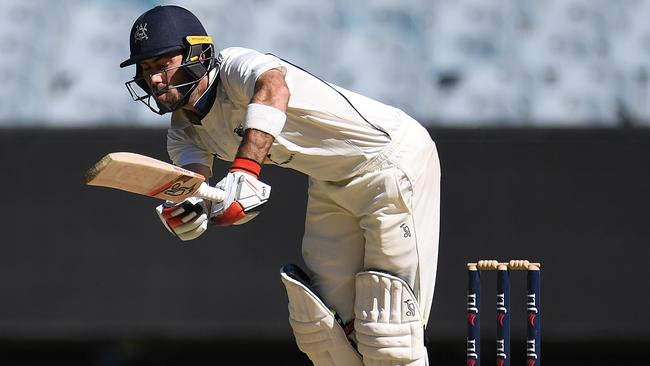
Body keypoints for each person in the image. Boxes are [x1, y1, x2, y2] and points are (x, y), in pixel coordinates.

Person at [120, 5, 440, 366]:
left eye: (163, 64)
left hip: (390, 161)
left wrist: (245, 170)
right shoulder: (183, 130)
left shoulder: (235, 66)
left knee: (389, 329)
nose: (155, 79)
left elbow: (273, 86)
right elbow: (197, 185)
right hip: (329, 181)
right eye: (146, 70)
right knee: (322, 330)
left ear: (197, 54)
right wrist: (192, 210)